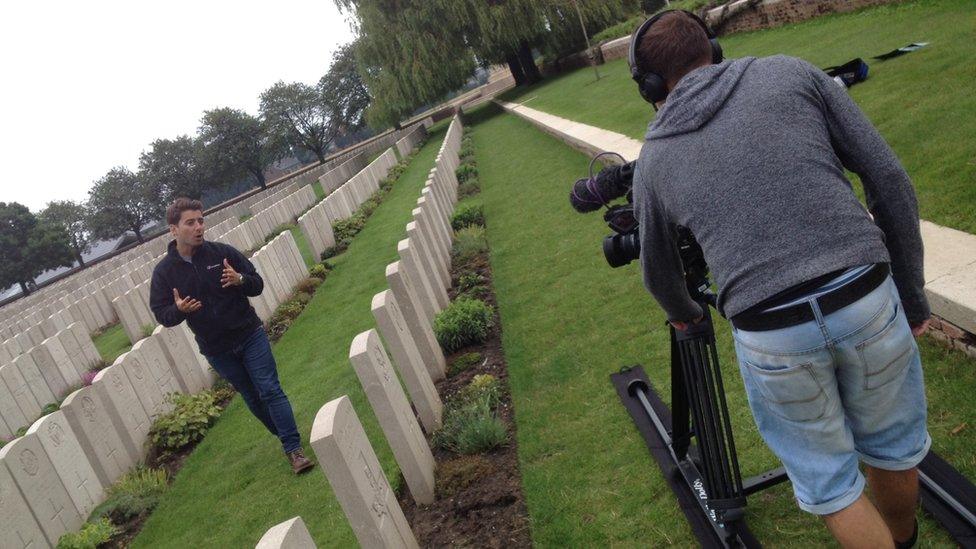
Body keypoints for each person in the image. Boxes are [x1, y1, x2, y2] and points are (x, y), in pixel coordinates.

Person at [629, 10, 930, 549]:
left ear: (648, 84)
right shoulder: (793, 72)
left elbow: (659, 275)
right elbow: (890, 180)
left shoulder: (653, 158)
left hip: (771, 332)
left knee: (832, 484)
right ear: (713, 48)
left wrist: (689, 313)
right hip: (865, 296)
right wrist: (912, 297)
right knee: (892, 446)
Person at [149, 197, 314, 475]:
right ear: (174, 230)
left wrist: (240, 280)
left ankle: (293, 448)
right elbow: (162, 315)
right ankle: (287, 435)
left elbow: (257, 284)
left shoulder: (221, 253)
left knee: (269, 389)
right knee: (253, 398)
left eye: (201, 220)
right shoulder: (164, 273)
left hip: (249, 334)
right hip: (217, 349)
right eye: (190, 222)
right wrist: (178, 310)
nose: (199, 227)